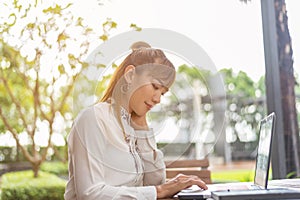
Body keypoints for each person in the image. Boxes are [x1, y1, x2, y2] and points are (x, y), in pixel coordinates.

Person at [64, 41, 208, 200]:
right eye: (155, 86)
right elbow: (90, 193)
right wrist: (159, 191)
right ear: (130, 75)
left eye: (163, 92)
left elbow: (154, 183)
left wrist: (142, 129)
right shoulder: (93, 119)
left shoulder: (133, 126)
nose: (158, 99)